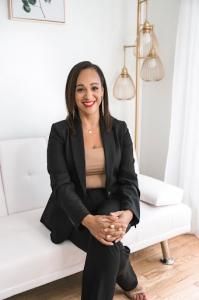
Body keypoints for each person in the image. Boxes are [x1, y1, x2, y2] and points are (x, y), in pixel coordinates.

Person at [40, 61, 148, 300]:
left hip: (111, 202)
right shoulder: (59, 132)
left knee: (106, 237)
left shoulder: (119, 130)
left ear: (103, 91)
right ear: (72, 93)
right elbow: (61, 186)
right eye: (80, 89)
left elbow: (129, 179)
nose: (88, 95)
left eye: (94, 87)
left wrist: (129, 213)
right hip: (73, 207)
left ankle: (124, 270)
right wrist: (88, 221)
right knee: (109, 247)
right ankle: (128, 278)